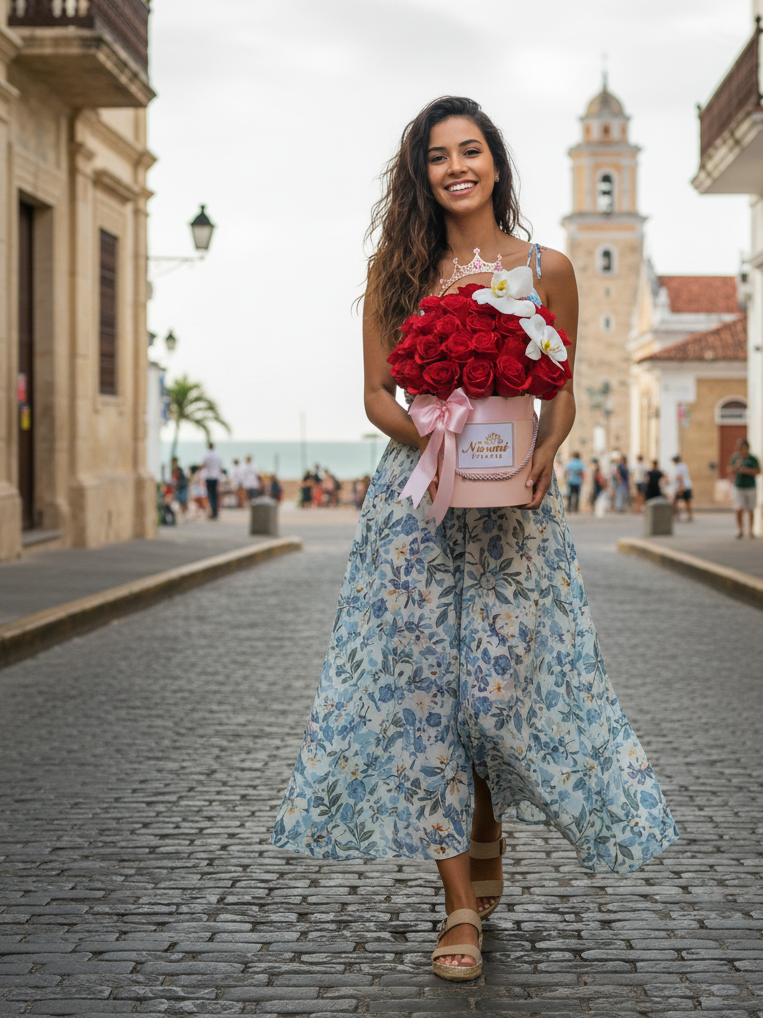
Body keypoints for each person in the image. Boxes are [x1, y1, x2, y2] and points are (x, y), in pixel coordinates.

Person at [269, 96, 678, 981]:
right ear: (421, 175)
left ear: (496, 163)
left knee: (494, 694)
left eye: (471, 151)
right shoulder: (399, 267)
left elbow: (561, 386)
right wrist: (439, 441)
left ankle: (483, 815)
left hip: (515, 518)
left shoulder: (548, 266)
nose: (456, 167)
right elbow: (378, 394)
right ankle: (458, 903)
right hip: (415, 514)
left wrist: (545, 449)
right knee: (425, 701)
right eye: (438, 156)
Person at [729, 437, 761, 538]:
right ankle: (740, 529)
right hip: (739, 485)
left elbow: (758, 471)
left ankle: (750, 530)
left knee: (750, 508)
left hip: (750, 486)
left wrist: (747, 471)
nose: (742, 449)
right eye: (740, 447)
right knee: (738, 508)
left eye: (744, 447)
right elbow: (729, 470)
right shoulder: (735, 458)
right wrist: (736, 466)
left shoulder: (753, 459)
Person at [201, 441, 222, 520]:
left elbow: (203, 465)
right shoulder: (218, 456)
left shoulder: (206, 456)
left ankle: (213, 512)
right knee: (215, 496)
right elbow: (220, 468)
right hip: (216, 477)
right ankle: (215, 512)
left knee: (210, 496)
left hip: (209, 477)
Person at [672, 454, 693, 522]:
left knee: (676, 501)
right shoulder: (684, 465)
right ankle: (689, 516)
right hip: (688, 485)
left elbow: (680, 477)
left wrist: (680, 487)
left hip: (681, 486)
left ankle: (677, 515)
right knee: (688, 501)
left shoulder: (678, 467)